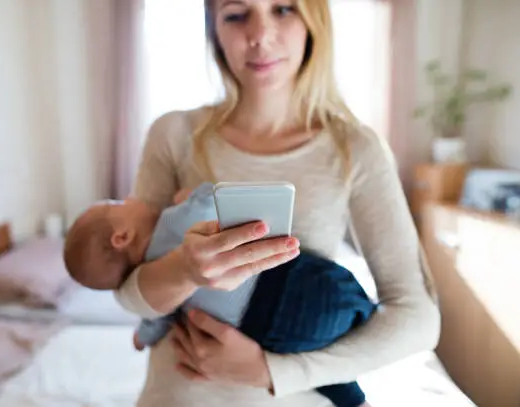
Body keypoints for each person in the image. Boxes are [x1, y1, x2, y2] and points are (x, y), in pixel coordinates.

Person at [109, 0, 441, 406]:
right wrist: (185, 270)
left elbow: (419, 318)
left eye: (283, 8)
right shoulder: (173, 135)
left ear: (313, 21)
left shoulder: (356, 149)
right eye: (236, 14)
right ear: (215, 30)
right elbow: (125, 292)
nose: (261, 35)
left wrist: (271, 371)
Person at [63, 182, 377, 407]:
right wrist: (191, 194)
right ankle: (372, 315)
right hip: (284, 285)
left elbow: (155, 320)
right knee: (342, 296)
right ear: (122, 237)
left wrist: (141, 338)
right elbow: (212, 199)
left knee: (311, 352)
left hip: (262, 332)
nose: (129, 196)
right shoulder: (174, 221)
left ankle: (351, 397)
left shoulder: (157, 286)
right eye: (116, 204)